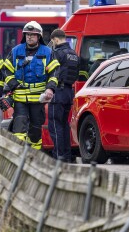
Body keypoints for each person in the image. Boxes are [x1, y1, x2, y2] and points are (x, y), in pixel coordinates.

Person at [3, 21, 55, 150]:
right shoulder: (16, 51)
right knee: (19, 128)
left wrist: (50, 88)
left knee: (35, 130)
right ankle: (18, 155)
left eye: (33, 34)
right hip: (20, 99)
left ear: (39, 37)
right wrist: (13, 84)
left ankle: (34, 156)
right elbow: (6, 69)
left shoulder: (48, 52)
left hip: (38, 99)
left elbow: (55, 72)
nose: (30, 37)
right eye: (27, 34)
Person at [46, 28, 80, 162]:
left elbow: (50, 70)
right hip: (68, 93)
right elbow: (76, 74)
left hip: (57, 92)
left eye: (53, 42)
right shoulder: (74, 54)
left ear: (55, 39)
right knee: (65, 125)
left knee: (55, 126)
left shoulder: (57, 53)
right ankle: (66, 156)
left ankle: (58, 157)